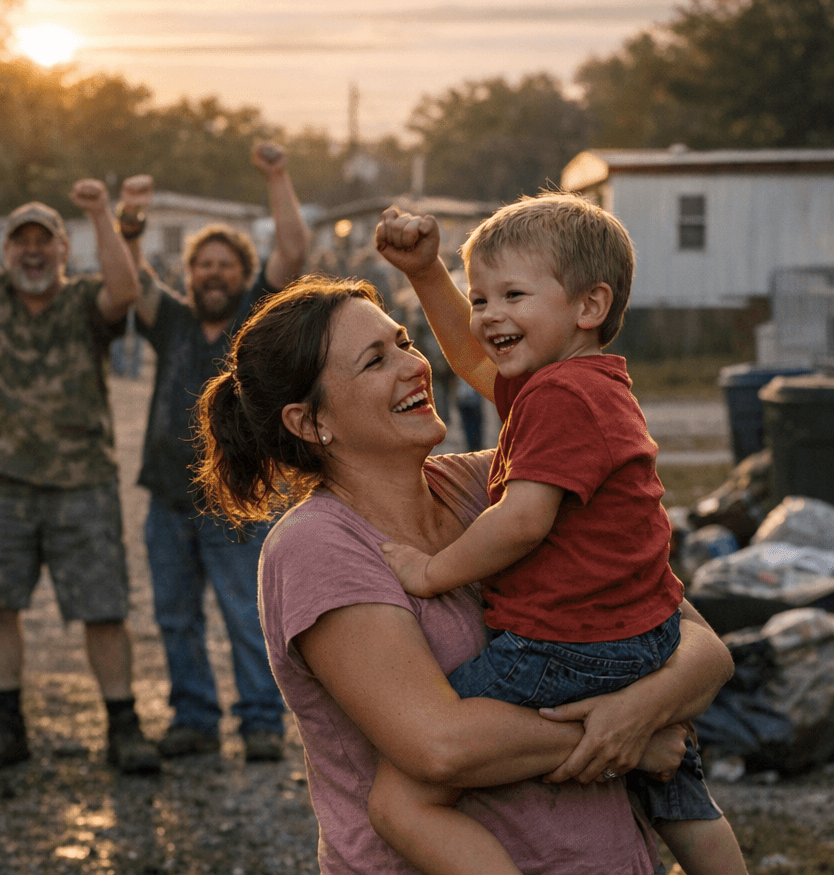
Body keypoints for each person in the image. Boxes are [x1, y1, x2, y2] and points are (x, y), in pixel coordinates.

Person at [194, 275, 736, 874]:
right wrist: (624, 740)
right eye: (376, 361)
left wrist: (640, 710)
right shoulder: (317, 547)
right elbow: (440, 746)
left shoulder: (499, 489)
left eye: (404, 342)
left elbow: (701, 647)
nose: (415, 366)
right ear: (309, 421)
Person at [370, 196, 746, 875]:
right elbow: (474, 359)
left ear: (589, 305)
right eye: (481, 298)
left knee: (403, 792)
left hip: (568, 644)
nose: (489, 314)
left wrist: (431, 571)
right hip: (647, 634)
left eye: (513, 295)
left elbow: (521, 522)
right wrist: (427, 273)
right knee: (684, 804)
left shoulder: (558, 397)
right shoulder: (581, 382)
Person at [0, 131, 156, 773]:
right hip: (0, 481)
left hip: (83, 482)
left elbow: (126, 291)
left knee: (104, 609)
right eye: (20, 240)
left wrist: (101, 213)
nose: (31, 250)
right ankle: (6, 724)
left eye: (43, 240)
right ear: (5, 251)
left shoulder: (84, 300)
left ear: (62, 250)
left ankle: (125, 726)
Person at [112, 141, 307, 763]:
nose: (213, 273)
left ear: (244, 274)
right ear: (189, 274)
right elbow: (134, 278)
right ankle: (193, 719)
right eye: (203, 265)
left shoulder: (258, 318)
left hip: (241, 500)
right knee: (175, 619)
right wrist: (130, 220)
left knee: (247, 618)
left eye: (226, 264)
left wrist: (277, 176)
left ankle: (261, 724)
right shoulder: (169, 319)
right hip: (168, 499)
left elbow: (293, 249)